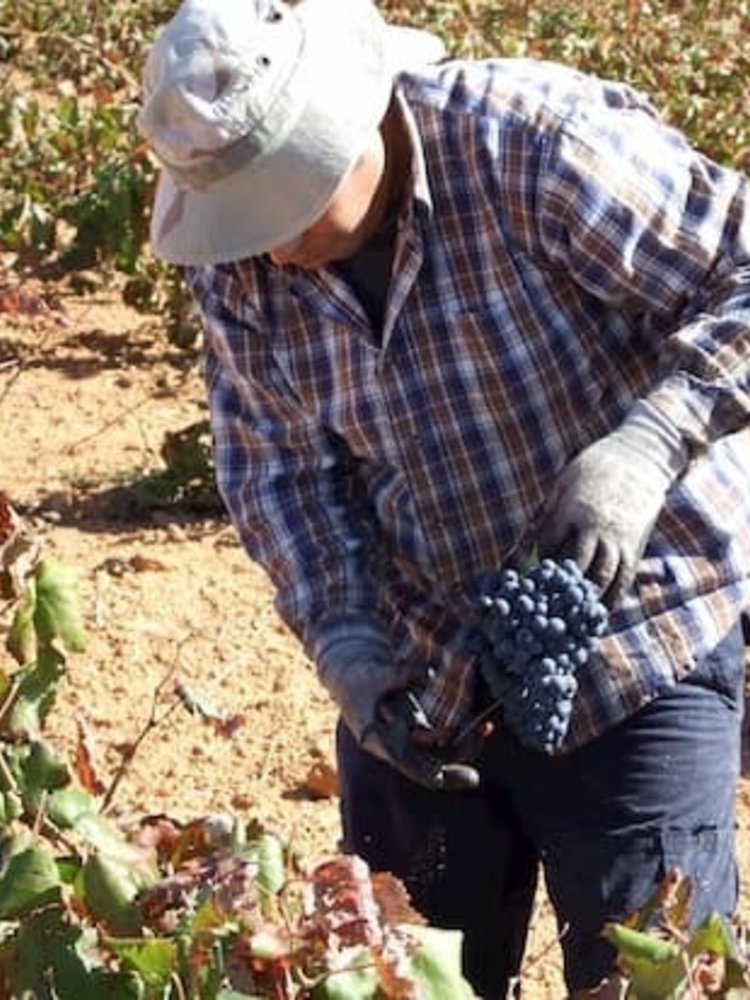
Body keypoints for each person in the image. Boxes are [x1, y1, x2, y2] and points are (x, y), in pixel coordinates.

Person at [137, 0, 750, 994]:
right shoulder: (241, 266)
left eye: (280, 209)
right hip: (428, 678)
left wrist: (653, 439)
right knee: (403, 969)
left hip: (642, 642)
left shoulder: (531, 144)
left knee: (653, 977)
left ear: (347, 131)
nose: (272, 250)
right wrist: (351, 652)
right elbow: (279, 474)